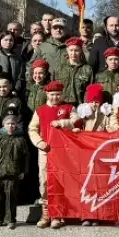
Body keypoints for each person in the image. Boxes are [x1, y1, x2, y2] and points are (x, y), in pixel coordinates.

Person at [29, 82, 77, 228]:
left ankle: (58, 215)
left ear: (62, 94)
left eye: (58, 94)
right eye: (52, 95)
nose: (55, 97)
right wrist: (39, 143)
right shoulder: (40, 110)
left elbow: (76, 122)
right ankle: (46, 214)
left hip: (64, 152)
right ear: (47, 95)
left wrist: (62, 122)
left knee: (61, 182)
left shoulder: (68, 108)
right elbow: (32, 129)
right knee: (45, 182)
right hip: (46, 151)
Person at [0, 111, 29, 231]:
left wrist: (23, 171)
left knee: (11, 197)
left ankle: (10, 219)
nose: (11, 126)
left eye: (13, 123)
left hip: (13, 173)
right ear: (4, 125)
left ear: (16, 125)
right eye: (8, 123)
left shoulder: (20, 140)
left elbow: (25, 156)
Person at [56, 37, 93, 104]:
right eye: (71, 50)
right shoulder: (59, 69)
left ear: (81, 51)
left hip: (80, 106)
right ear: (67, 50)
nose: (73, 53)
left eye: (76, 50)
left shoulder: (87, 69)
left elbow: (89, 90)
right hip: (62, 105)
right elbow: (54, 88)